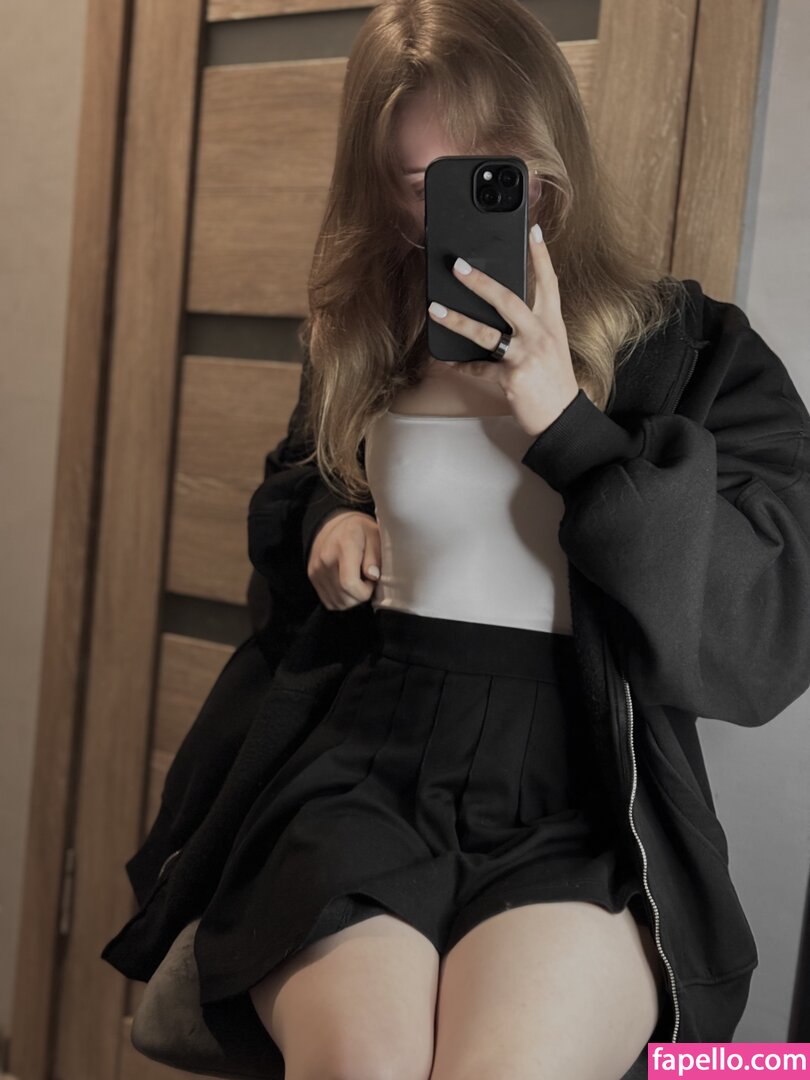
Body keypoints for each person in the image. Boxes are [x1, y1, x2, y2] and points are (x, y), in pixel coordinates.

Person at [100, 1, 810, 1078]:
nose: (446, 213)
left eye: (487, 173)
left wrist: (565, 422)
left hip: (578, 792)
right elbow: (296, 489)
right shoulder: (366, 331)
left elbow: (764, 625)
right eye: (413, 182)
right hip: (365, 763)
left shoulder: (695, 351)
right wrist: (330, 525)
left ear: (547, 152)